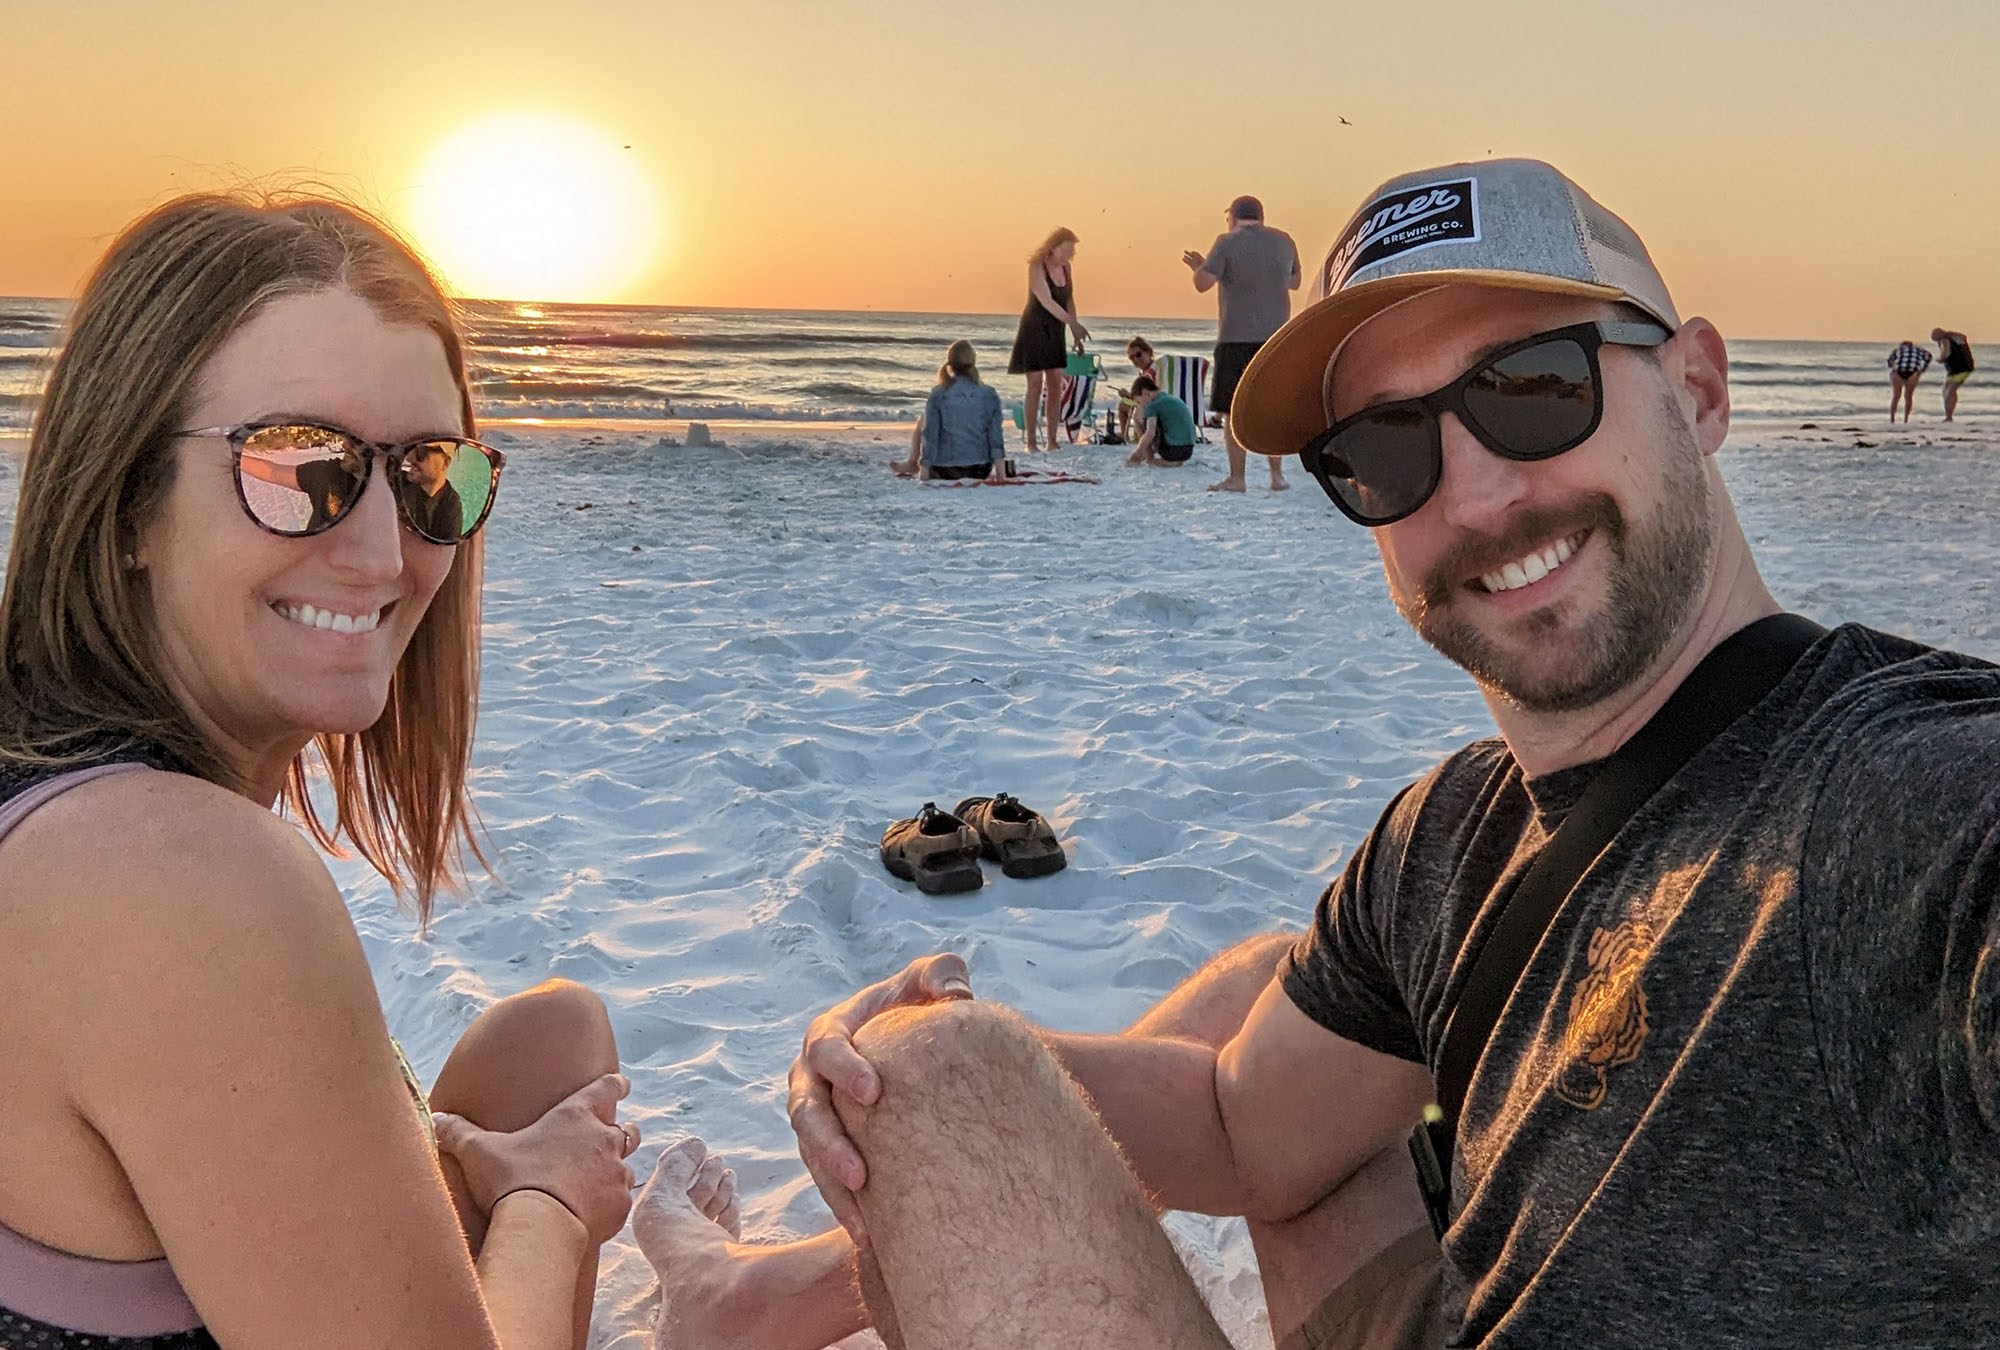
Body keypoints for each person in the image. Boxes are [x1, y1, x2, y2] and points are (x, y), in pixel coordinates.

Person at [722, 158, 2000, 1349]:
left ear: (1699, 389)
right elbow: (1244, 1124)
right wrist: (893, 1072)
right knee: (957, 1064)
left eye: (1533, 388)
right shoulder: (1444, 838)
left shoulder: (1908, 805)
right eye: (1385, 451)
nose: (1477, 496)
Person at [0, 191, 738, 1348]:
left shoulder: (58, 788)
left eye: (429, 473)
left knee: (550, 1045)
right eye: (302, 468)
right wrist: (551, 1203)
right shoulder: (166, 875)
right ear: (128, 499)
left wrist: (462, 1152)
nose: (385, 552)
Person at [1184, 195, 1299, 493]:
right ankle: (1277, 475)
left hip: (1236, 335)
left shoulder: (1226, 241)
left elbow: (1202, 284)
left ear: (1233, 217)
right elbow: (1294, 281)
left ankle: (1237, 477)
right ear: (1261, 215)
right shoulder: (1285, 241)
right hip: (1276, 337)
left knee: (1232, 409)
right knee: (1271, 406)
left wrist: (1200, 266)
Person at [1006, 228, 1088, 452]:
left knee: (1055, 385)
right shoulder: (1037, 266)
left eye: (1073, 251)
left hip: (1056, 330)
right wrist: (1073, 323)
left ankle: (1052, 441)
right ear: (1054, 246)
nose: (1070, 255)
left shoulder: (1067, 269)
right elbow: (1047, 301)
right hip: (1034, 328)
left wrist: (1075, 332)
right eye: (1068, 249)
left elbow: (1069, 300)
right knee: (1034, 385)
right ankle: (1031, 442)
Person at [888, 340, 1006, 482]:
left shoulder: (938, 393)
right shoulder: (989, 394)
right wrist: (1001, 476)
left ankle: (913, 463)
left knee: (924, 419)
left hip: (942, 470)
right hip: (979, 469)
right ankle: (912, 463)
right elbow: (995, 437)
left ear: (950, 363)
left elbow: (930, 434)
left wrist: (925, 471)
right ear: (973, 361)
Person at [1125, 375, 1196, 467]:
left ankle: (1150, 459)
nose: (1140, 405)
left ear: (1145, 392)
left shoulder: (1152, 405)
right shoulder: (1170, 398)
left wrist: (1137, 453)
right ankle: (1169, 460)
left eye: (1139, 402)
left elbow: (1150, 433)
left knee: (1137, 418)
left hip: (1172, 451)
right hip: (1188, 451)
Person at [1116, 335, 1159, 442]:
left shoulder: (1152, 372)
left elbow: (1148, 397)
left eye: (1138, 355)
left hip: (1153, 407)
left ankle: (1124, 436)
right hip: (1155, 404)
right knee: (1125, 402)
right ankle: (1125, 435)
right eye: (1131, 357)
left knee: (1123, 405)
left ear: (1148, 352)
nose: (1135, 359)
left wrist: (1128, 396)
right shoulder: (1149, 370)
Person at [1934, 326, 1975, 420]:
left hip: (1959, 369)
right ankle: (1949, 415)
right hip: (1958, 369)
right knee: (1946, 390)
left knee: (1949, 391)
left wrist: (1939, 359)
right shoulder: (1955, 337)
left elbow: (1945, 353)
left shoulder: (1944, 340)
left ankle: (1949, 417)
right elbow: (1963, 337)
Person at [1887, 339, 1931, 422]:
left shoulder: (1898, 350)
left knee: (1897, 396)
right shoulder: (1919, 349)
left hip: (1899, 371)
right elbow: (1929, 356)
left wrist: (1892, 368)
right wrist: (1922, 369)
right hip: (1912, 371)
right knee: (1907, 396)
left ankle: (1893, 419)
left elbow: (1889, 361)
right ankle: (1904, 419)